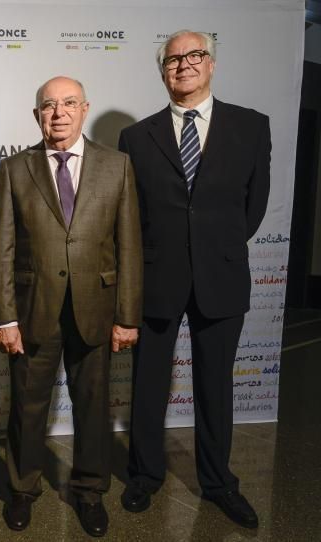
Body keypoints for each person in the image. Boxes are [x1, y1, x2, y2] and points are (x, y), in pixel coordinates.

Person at [118, 30, 270, 530]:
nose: (183, 65)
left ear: (211, 63)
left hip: (221, 277)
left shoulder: (251, 127)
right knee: (149, 385)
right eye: (172, 60)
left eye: (194, 55)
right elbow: (131, 216)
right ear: (163, 72)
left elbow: (254, 207)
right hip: (156, 279)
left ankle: (218, 482)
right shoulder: (136, 138)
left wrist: (213, 249)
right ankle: (145, 475)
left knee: (214, 387)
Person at [0, 76, 142, 537]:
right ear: (37, 115)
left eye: (68, 103)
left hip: (96, 310)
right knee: (27, 409)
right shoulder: (16, 169)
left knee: (93, 410)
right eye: (49, 105)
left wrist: (127, 316)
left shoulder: (117, 166)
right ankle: (22, 489)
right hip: (33, 311)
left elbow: (129, 246)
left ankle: (90, 492)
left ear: (84, 108)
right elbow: (2, 249)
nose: (58, 113)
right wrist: (5, 317)